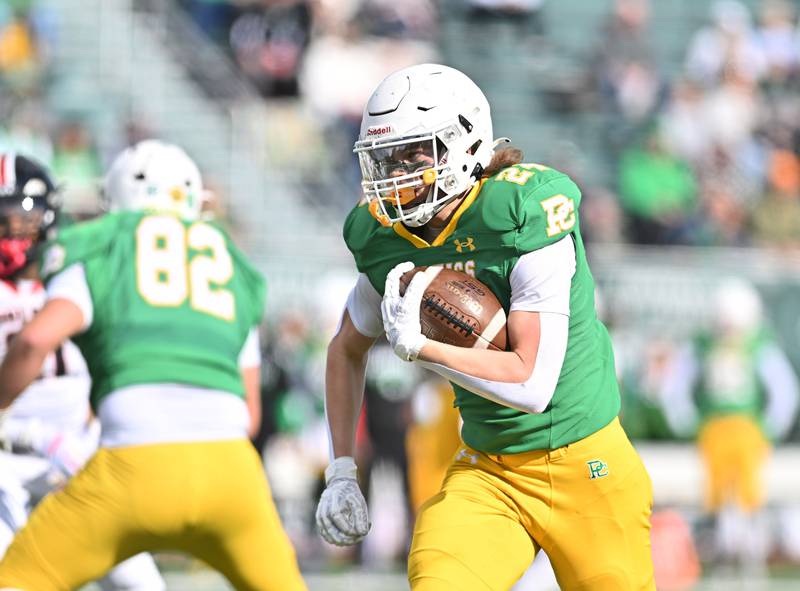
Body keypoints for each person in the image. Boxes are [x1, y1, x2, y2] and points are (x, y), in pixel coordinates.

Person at [315, 63, 655, 590]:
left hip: (586, 463)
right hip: (489, 470)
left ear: (462, 144)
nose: (394, 174)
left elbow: (531, 383)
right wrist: (340, 468)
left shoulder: (519, 210)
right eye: (384, 159)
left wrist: (422, 347)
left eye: (412, 154)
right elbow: (346, 348)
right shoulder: (384, 237)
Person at [0, 141, 307, 591]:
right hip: (232, 476)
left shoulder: (99, 246)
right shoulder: (235, 266)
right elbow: (250, 414)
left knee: (18, 580)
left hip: (128, 465)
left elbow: (33, 339)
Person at [0, 152, 165, 591]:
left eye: (19, 216)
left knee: (142, 584)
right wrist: (36, 436)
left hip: (77, 453)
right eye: (2, 218)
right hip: (5, 460)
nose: (10, 230)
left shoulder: (74, 273)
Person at [660, 277, 799, 570]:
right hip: (713, 433)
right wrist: (687, 421)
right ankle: (720, 548)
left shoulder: (758, 345)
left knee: (749, 492)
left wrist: (769, 427)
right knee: (715, 491)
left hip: (747, 432)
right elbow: (677, 384)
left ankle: (746, 552)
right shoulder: (703, 344)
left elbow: (783, 389)